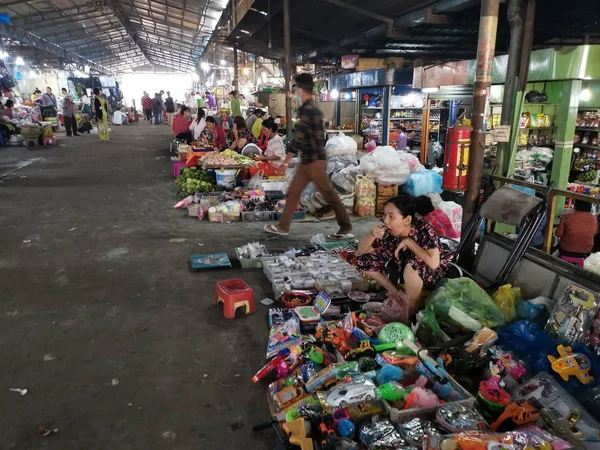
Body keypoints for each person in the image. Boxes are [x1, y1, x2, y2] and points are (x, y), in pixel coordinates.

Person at [264, 73, 352, 240]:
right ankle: (283, 227)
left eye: (296, 88)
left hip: (314, 163)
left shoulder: (307, 110)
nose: (294, 92)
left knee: (329, 194)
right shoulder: (313, 109)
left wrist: (286, 161)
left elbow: (299, 137)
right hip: (308, 161)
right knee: (293, 192)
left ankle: (346, 226)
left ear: (302, 90)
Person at [356, 195, 449, 316]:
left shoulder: (425, 229)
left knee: (413, 264)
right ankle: (395, 292)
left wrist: (408, 242)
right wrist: (372, 234)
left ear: (407, 220)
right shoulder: (389, 230)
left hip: (429, 275)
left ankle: (411, 307)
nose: (385, 220)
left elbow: (433, 263)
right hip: (401, 267)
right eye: (384, 215)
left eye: (391, 217)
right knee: (363, 260)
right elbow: (361, 251)